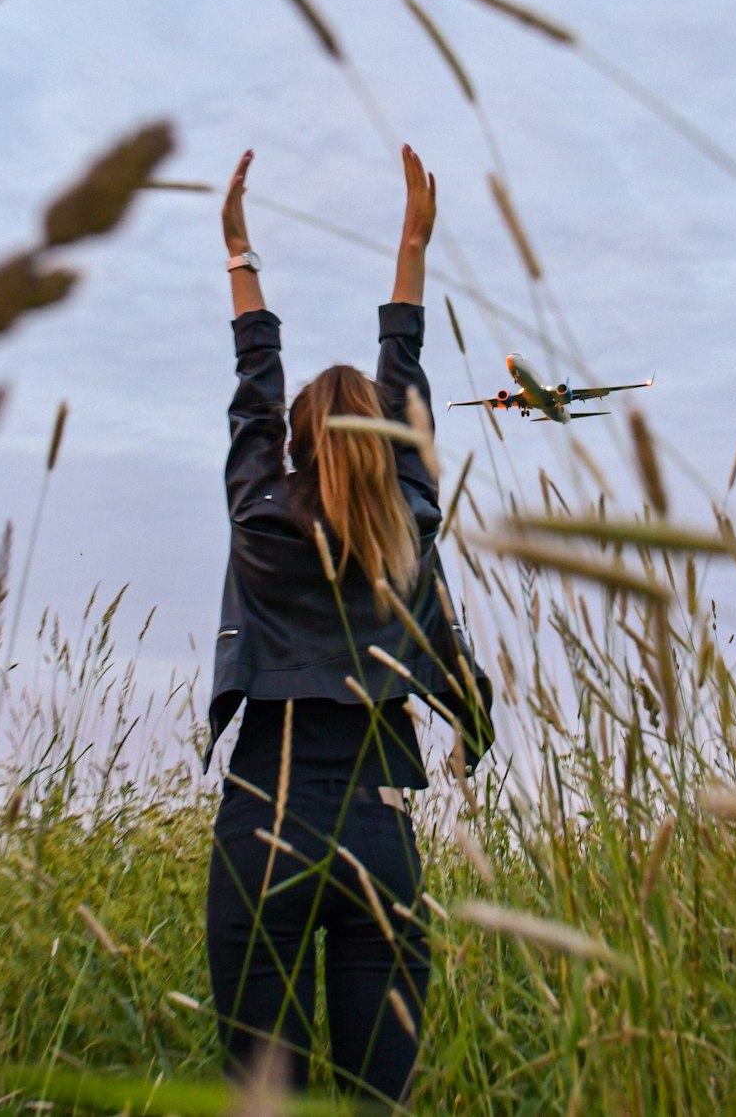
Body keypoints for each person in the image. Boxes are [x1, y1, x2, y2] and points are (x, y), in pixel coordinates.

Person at [205, 143, 494, 1108]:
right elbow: (404, 377)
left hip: (264, 817)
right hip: (381, 825)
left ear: (288, 448)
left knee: (266, 1102)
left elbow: (255, 391)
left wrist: (241, 251)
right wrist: (413, 244)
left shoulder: (258, 516)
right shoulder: (408, 522)